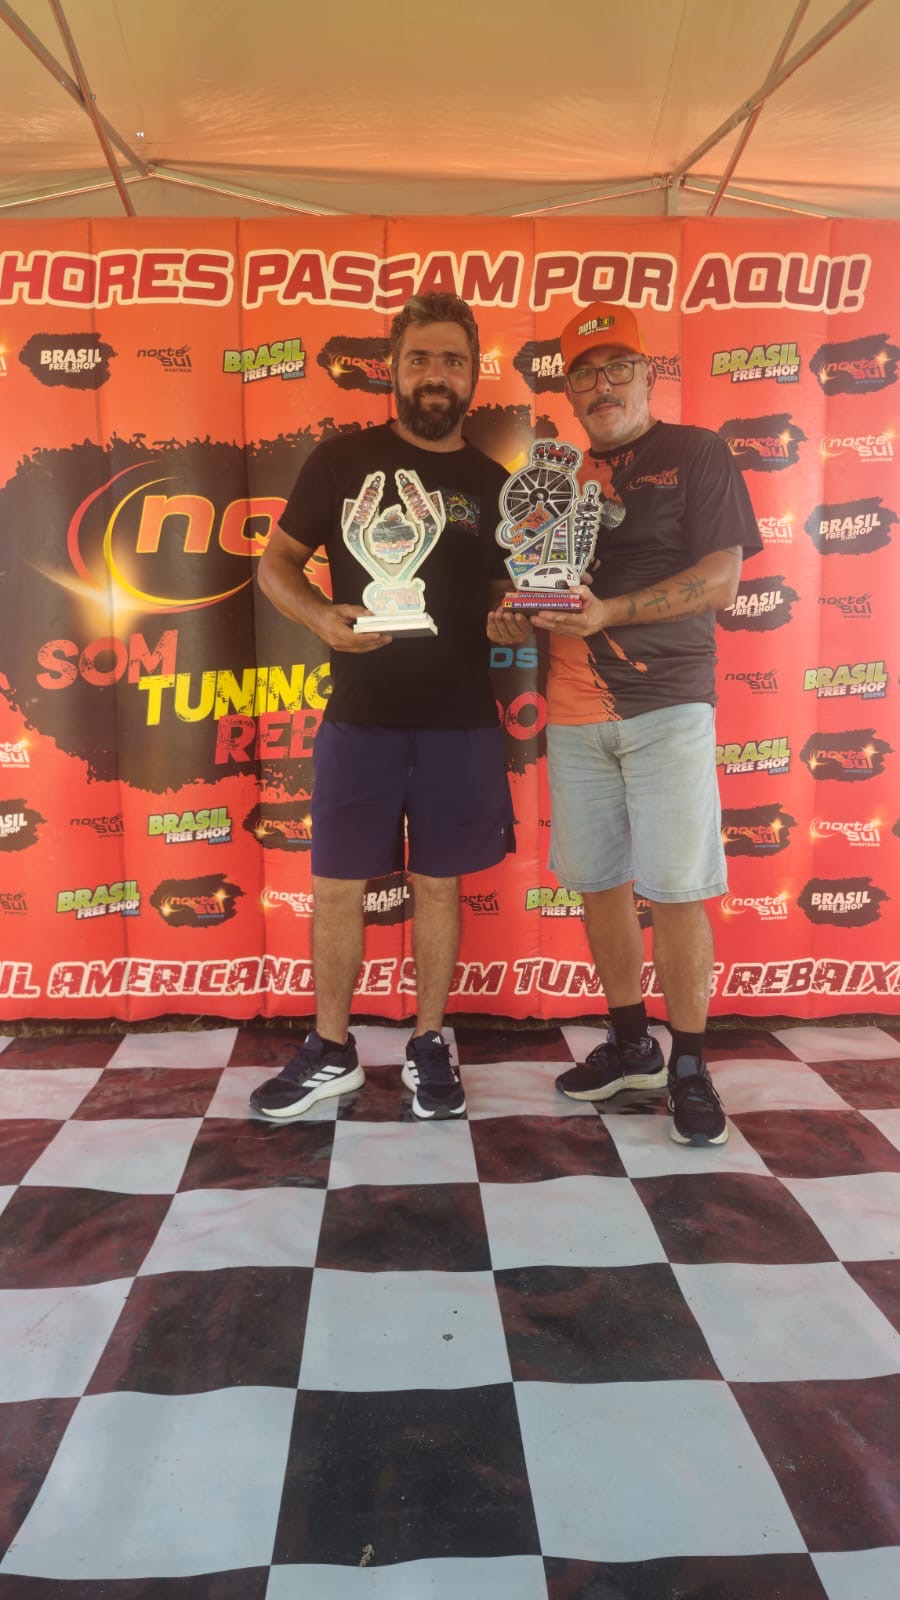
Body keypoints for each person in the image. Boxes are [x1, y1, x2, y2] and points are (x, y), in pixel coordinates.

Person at [491, 300, 761, 1146]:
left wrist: (610, 611)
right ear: (568, 389)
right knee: (599, 882)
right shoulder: (556, 475)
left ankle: (690, 1065)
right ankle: (631, 1041)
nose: (601, 386)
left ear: (647, 373)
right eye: (584, 373)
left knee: (676, 889)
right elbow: (536, 582)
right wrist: (512, 615)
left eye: (617, 367)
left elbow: (722, 577)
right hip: (573, 713)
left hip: (668, 706)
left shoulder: (697, 452)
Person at [250, 292, 514, 1122]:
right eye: (420, 358)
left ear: (473, 375)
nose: (436, 374)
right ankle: (331, 1049)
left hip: (461, 719)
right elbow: (275, 565)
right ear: (393, 370)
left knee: (438, 887)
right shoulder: (341, 459)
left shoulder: (494, 484)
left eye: (452, 361)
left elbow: (506, 595)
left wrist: (515, 617)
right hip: (358, 716)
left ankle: (430, 1042)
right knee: (336, 886)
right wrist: (321, 618)